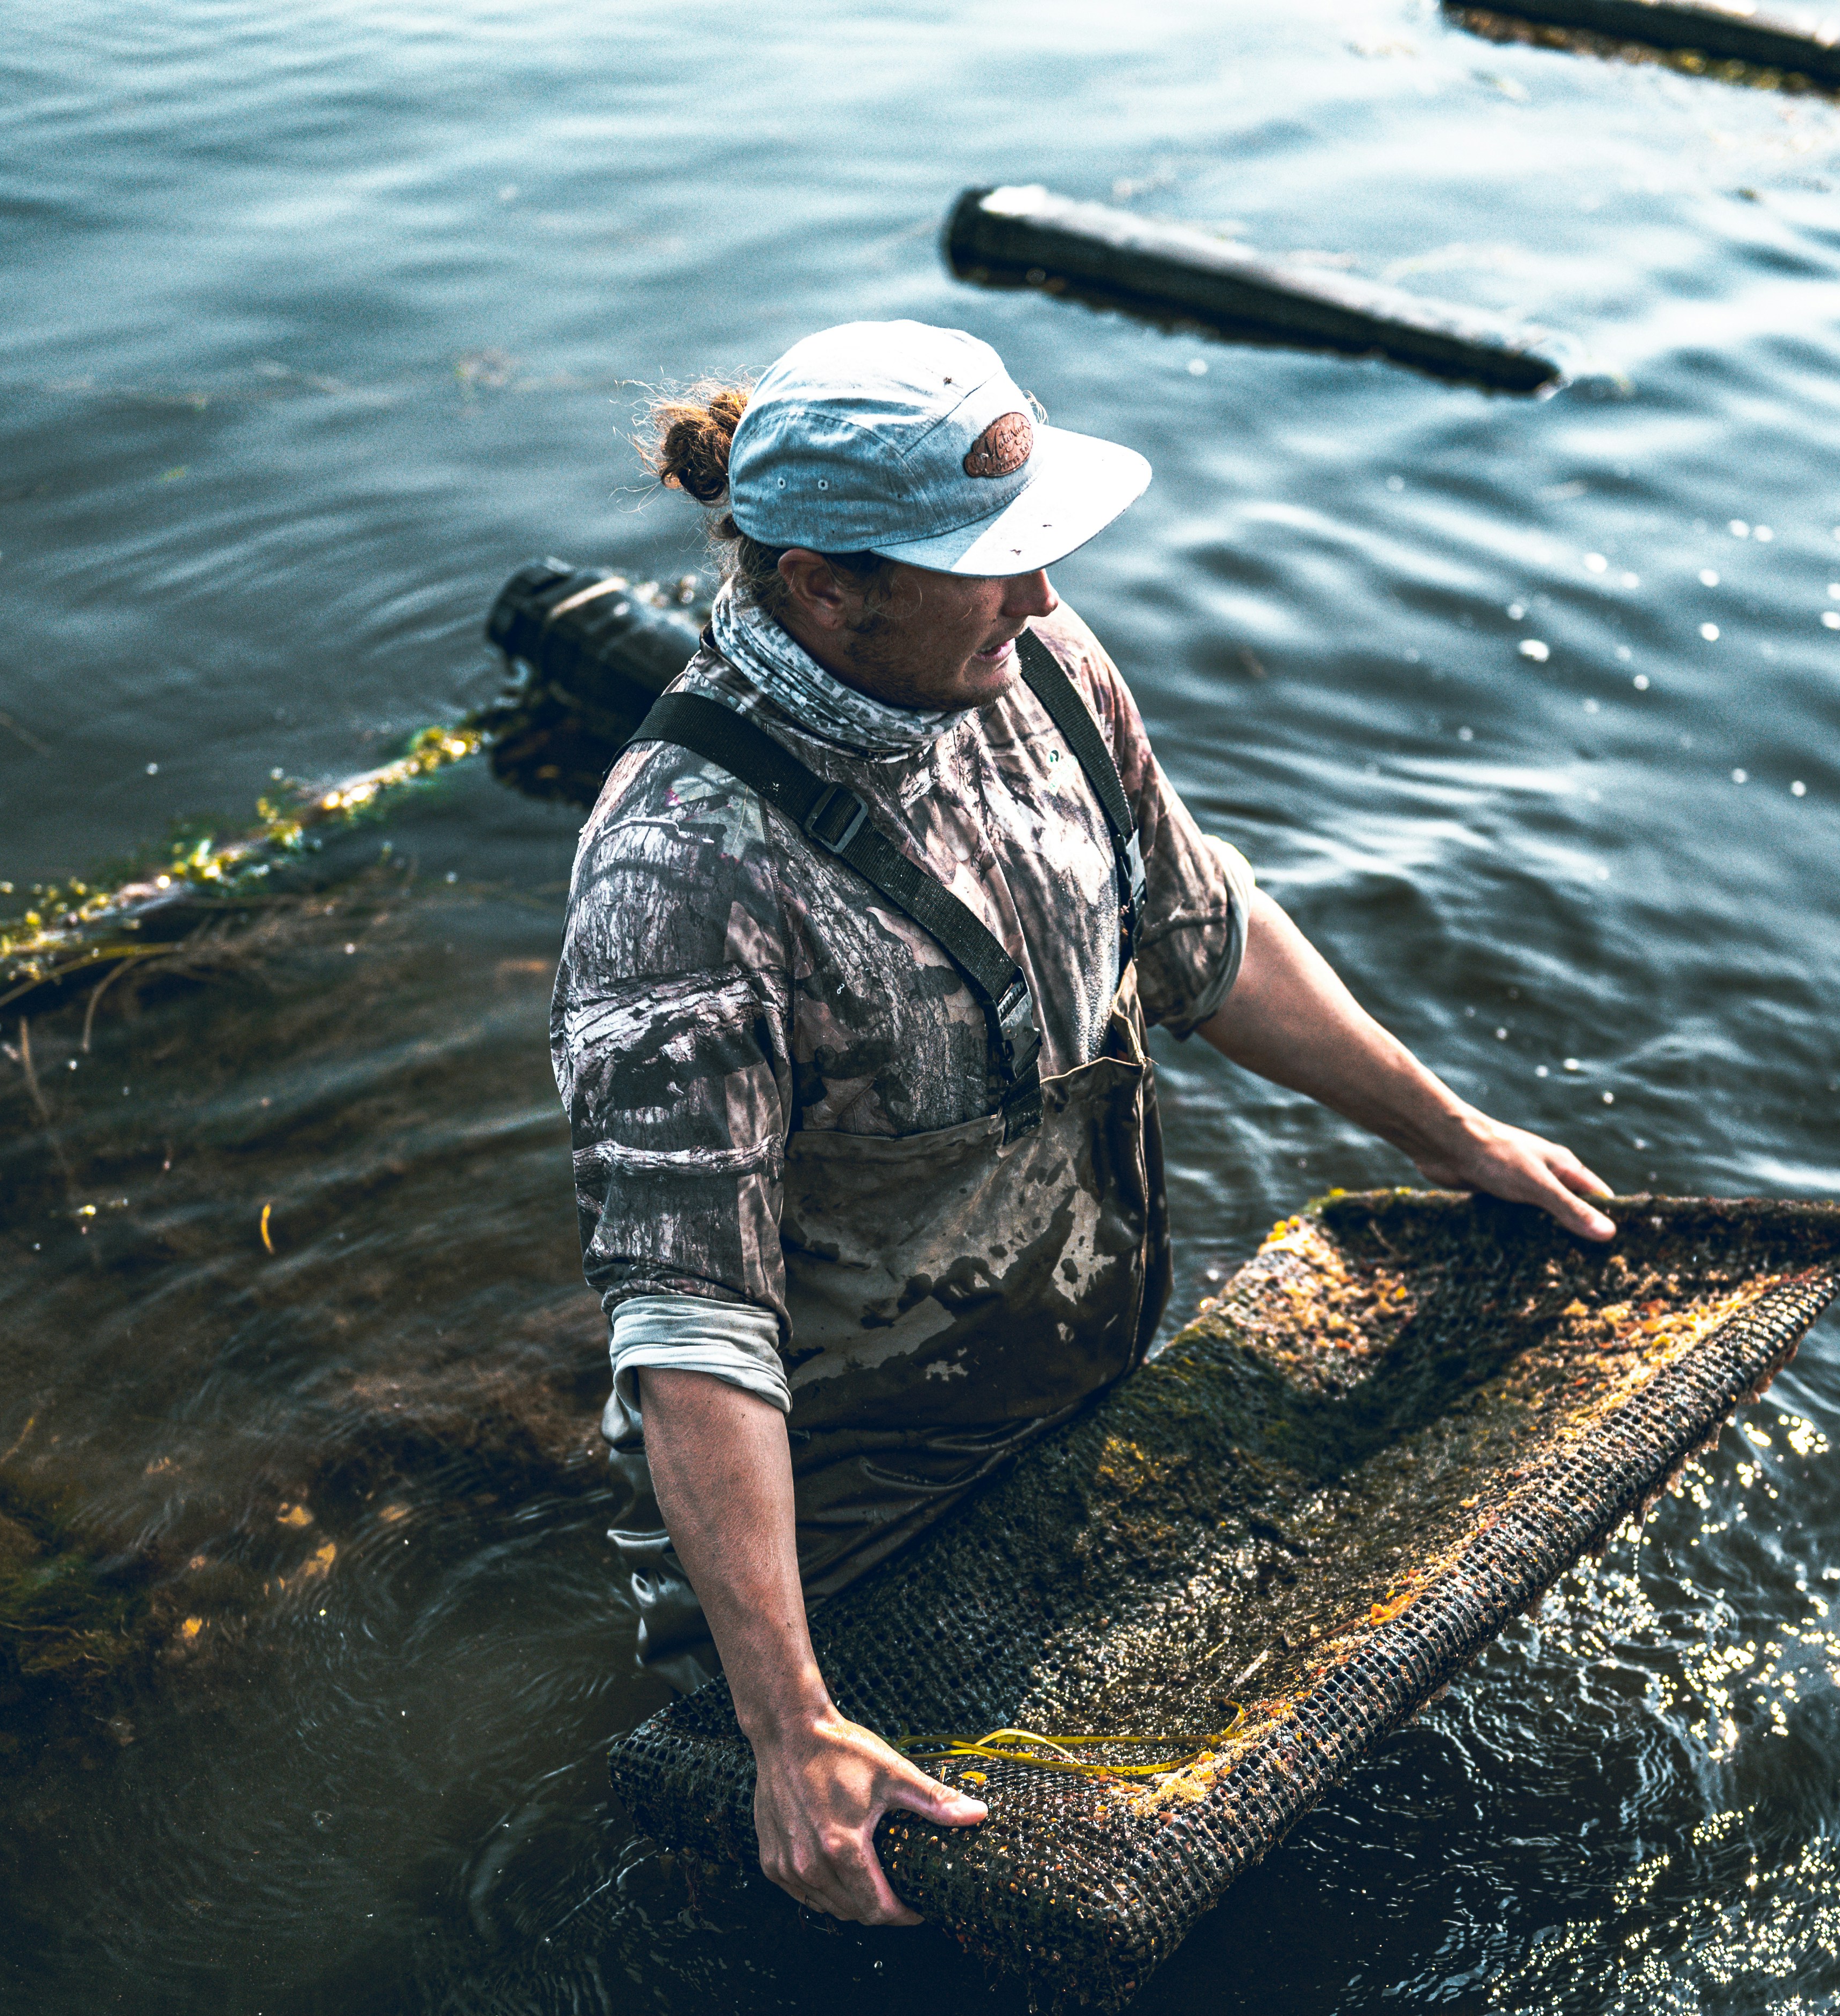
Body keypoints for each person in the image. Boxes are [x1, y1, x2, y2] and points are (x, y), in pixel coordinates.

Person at [551, 320, 1613, 1930]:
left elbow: (1204, 935)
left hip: (1069, 1392)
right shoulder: (681, 877)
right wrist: (787, 1722)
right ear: (831, 587)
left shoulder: (1030, 660)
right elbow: (693, 1329)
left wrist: (1451, 1137)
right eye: (989, 563)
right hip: (848, 1529)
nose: (1042, 594)